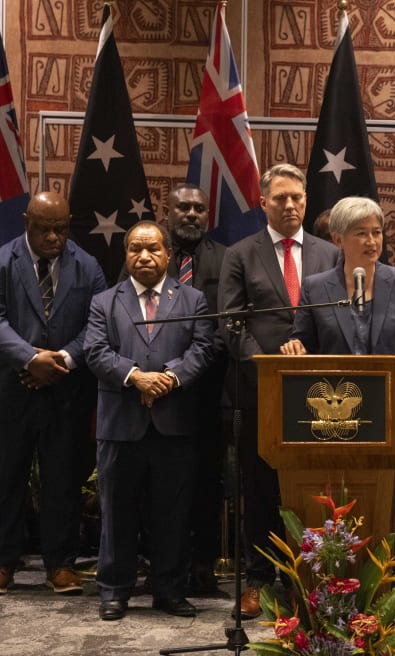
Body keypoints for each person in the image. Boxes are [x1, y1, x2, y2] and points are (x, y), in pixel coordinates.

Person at [218, 163, 341, 619]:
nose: (290, 206)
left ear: (306, 200)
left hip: (318, 394)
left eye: (297, 198)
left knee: (310, 491)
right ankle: (256, 580)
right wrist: (269, 367)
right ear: (262, 202)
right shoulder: (241, 253)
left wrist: (305, 355)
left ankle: (305, 582)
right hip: (259, 393)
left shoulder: (331, 253)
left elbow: (341, 319)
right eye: (280, 199)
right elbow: (231, 325)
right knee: (261, 487)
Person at [84, 221, 214, 620]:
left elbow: (203, 348)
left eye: (153, 249)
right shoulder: (105, 301)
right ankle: (115, 590)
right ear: (126, 255)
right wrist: (135, 376)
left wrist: (169, 378)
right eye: (135, 249)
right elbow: (95, 351)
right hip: (121, 427)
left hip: (174, 425)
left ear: (168, 254)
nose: (144, 256)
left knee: (172, 514)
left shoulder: (193, 299)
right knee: (117, 512)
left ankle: (169, 590)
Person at [0, 192, 107, 596]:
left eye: (60, 229)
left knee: (62, 478)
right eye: (43, 228)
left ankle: (59, 563)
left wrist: (60, 359)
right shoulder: (3, 260)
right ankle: (4, 560)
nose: (52, 237)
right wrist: (29, 359)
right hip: (12, 388)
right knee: (6, 475)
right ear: (27, 221)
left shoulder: (88, 266)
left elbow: (97, 324)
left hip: (65, 389)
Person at [157, 183, 227, 594]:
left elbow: (225, 325)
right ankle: (161, 563)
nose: (191, 215)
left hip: (207, 392)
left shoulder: (226, 258)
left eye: (199, 209)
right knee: (159, 483)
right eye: (183, 207)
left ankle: (203, 565)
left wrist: (187, 369)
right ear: (167, 212)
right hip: (155, 393)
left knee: (206, 481)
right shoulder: (148, 255)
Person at [280, 195, 395, 364]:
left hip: (391, 384)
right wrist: (296, 347)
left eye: (377, 232)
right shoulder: (315, 287)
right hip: (335, 387)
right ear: (338, 239)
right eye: (361, 233)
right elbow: (302, 342)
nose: (372, 241)